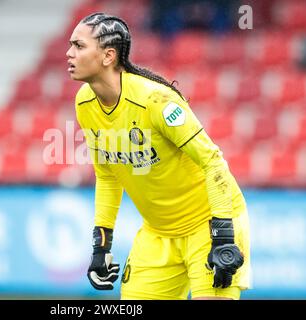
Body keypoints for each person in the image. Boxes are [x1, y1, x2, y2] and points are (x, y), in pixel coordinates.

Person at [66, 12, 250, 300]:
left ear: (108, 56)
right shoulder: (84, 103)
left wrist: (224, 236)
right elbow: (108, 175)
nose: (69, 53)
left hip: (209, 226)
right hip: (157, 234)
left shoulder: (156, 101)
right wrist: (101, 245)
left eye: (79, 46)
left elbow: (213, 161)